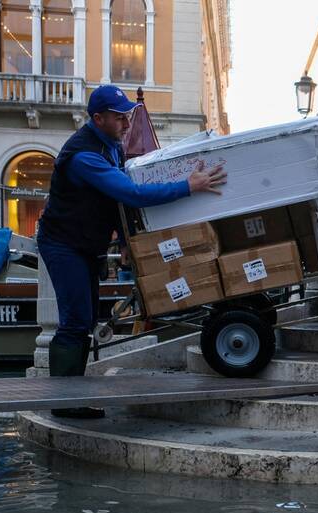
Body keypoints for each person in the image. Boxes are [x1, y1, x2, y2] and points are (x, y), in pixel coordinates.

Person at [37, 85, 226, 418]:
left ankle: (71, 396)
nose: (126, 123)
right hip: (63, 243)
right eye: (119, 117)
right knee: (75, 321)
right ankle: (64, 402)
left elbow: (114, 203)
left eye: (127, 115)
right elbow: (133, 194)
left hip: (84, 243)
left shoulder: (111, 146)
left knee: (85, 319)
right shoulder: (84, 156)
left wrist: (124, 241)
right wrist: (188, 187)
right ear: (98, 118)